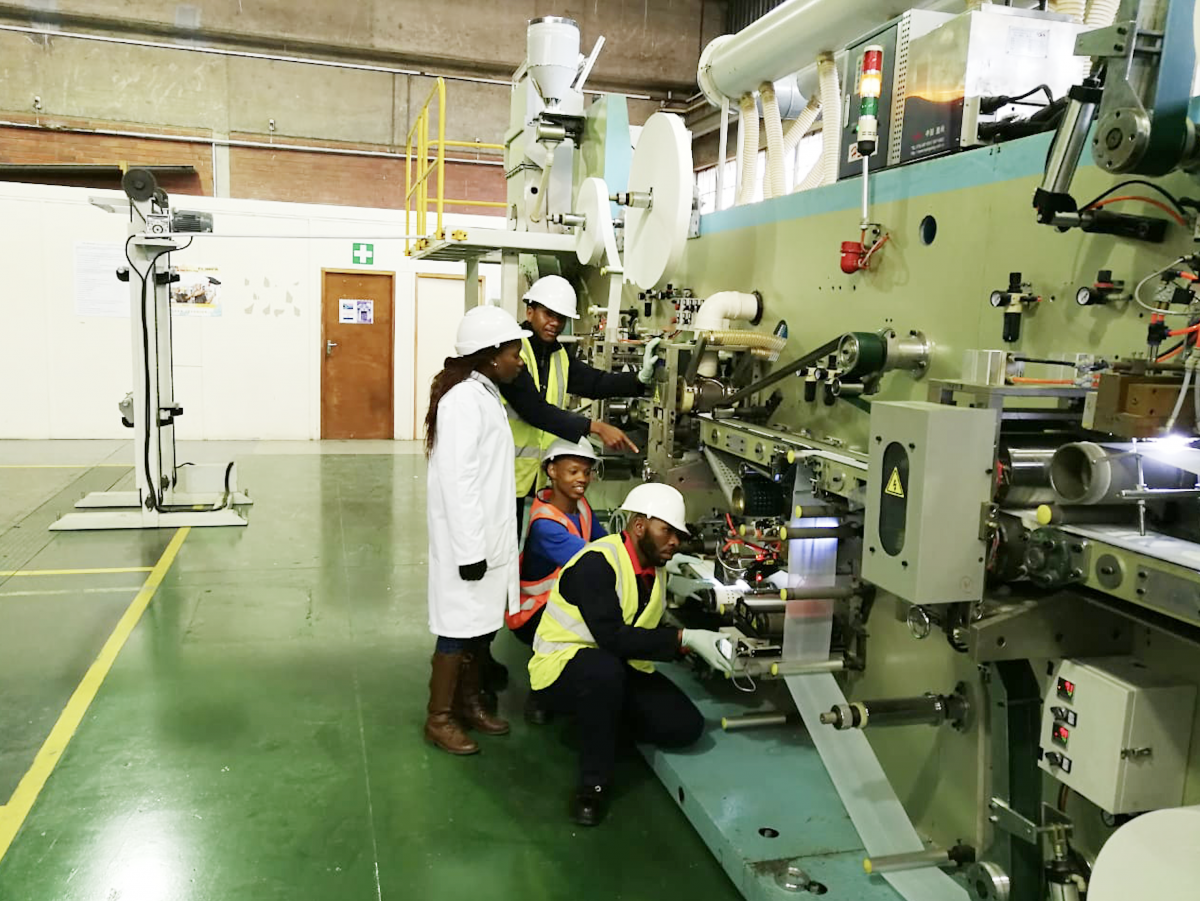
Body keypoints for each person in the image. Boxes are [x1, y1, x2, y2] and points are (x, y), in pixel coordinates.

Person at [527, 483, 732, 825]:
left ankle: (600, 717)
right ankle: (592, 786)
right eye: (666, 531)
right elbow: (612, 637)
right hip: (561, 668)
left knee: (685, 726)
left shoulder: (655, 569)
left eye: (678, 535)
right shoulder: (597, 563)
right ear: (639, 526)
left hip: (617, 668)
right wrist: (685, 638)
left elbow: (639, 621)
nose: (674, 542)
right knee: (602, 672)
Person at [423, 305, 531, 756]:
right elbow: (458, 480)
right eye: (514, 353)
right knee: (456, 628)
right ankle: (439, 717)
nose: (519, 361)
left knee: (476, 628)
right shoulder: (463, 401)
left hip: (486, 540)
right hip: (468, 544)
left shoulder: (483, 394)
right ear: (490, 356)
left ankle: (468, 705)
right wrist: (470, 550)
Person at [501, 275, 660, 532]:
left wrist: (639, 379)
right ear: (530, 311)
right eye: (548, 314)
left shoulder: (558, 356)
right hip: (505, 475)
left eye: (560, 318)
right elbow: (534, 410)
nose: (554, 323)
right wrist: (594, 426)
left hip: (539, 476)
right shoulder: (513, 355)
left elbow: (596, 383)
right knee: (506, 548)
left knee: (535, 546)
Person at [507, 436, 606, 724]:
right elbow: (595, 560)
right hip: (534, 613)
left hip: (561, 602)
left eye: (586, 472)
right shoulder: (546, 524)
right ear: (551, 471)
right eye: (573, 471)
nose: (582, 479)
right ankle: (539, 692)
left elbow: (605, 543)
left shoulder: (582, 507)